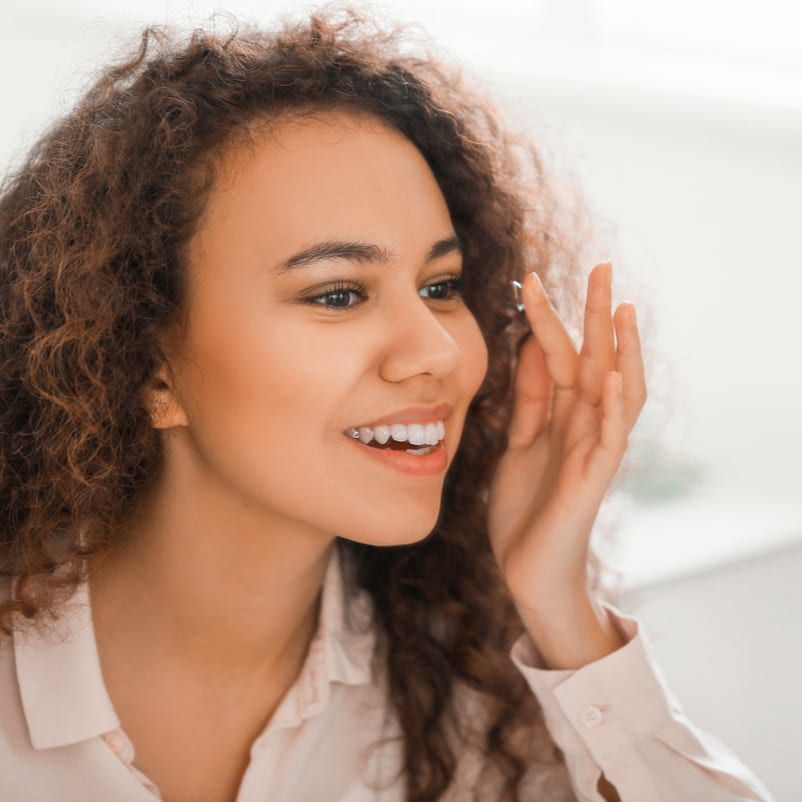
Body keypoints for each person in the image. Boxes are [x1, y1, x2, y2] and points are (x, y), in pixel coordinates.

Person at [0, 5, 777, 802]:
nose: (440, 352)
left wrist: (559, 605)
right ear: (149, 365)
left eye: (441, 288)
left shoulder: (459, 683)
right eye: (338, 294)